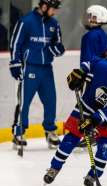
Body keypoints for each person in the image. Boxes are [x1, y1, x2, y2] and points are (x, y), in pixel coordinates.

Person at [43, 54, 107, 186]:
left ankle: (93, 175)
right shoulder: (104, 67)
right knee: (70, 139)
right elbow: (91, 62)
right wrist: (80, 73)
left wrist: (93, 121)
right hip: (86, 107)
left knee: (105, 148)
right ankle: (54, 168)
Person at [9, 0, 65, 149]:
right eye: (54, 9)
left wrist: (56, 49)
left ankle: (50, 131)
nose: (55, 12)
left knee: (50, 100)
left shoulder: (54, 23)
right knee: (24, 101)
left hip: (46, 69)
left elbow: (58, 44)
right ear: (44, 6)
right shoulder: (26, 21)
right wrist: (15, 63)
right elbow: (15, 43)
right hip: (30, 67)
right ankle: (19, 132)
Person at [78, 5, 107, 148]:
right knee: (98, 104)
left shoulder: (88, 36)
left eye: (90, 16)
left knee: (88, 105)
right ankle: (97, 132)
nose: (87, 19)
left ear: (96, 18)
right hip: (103, 74)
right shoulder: (103, 34)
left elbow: (87, 59)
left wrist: (82, 76)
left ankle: (90, 134)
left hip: (92, 74)